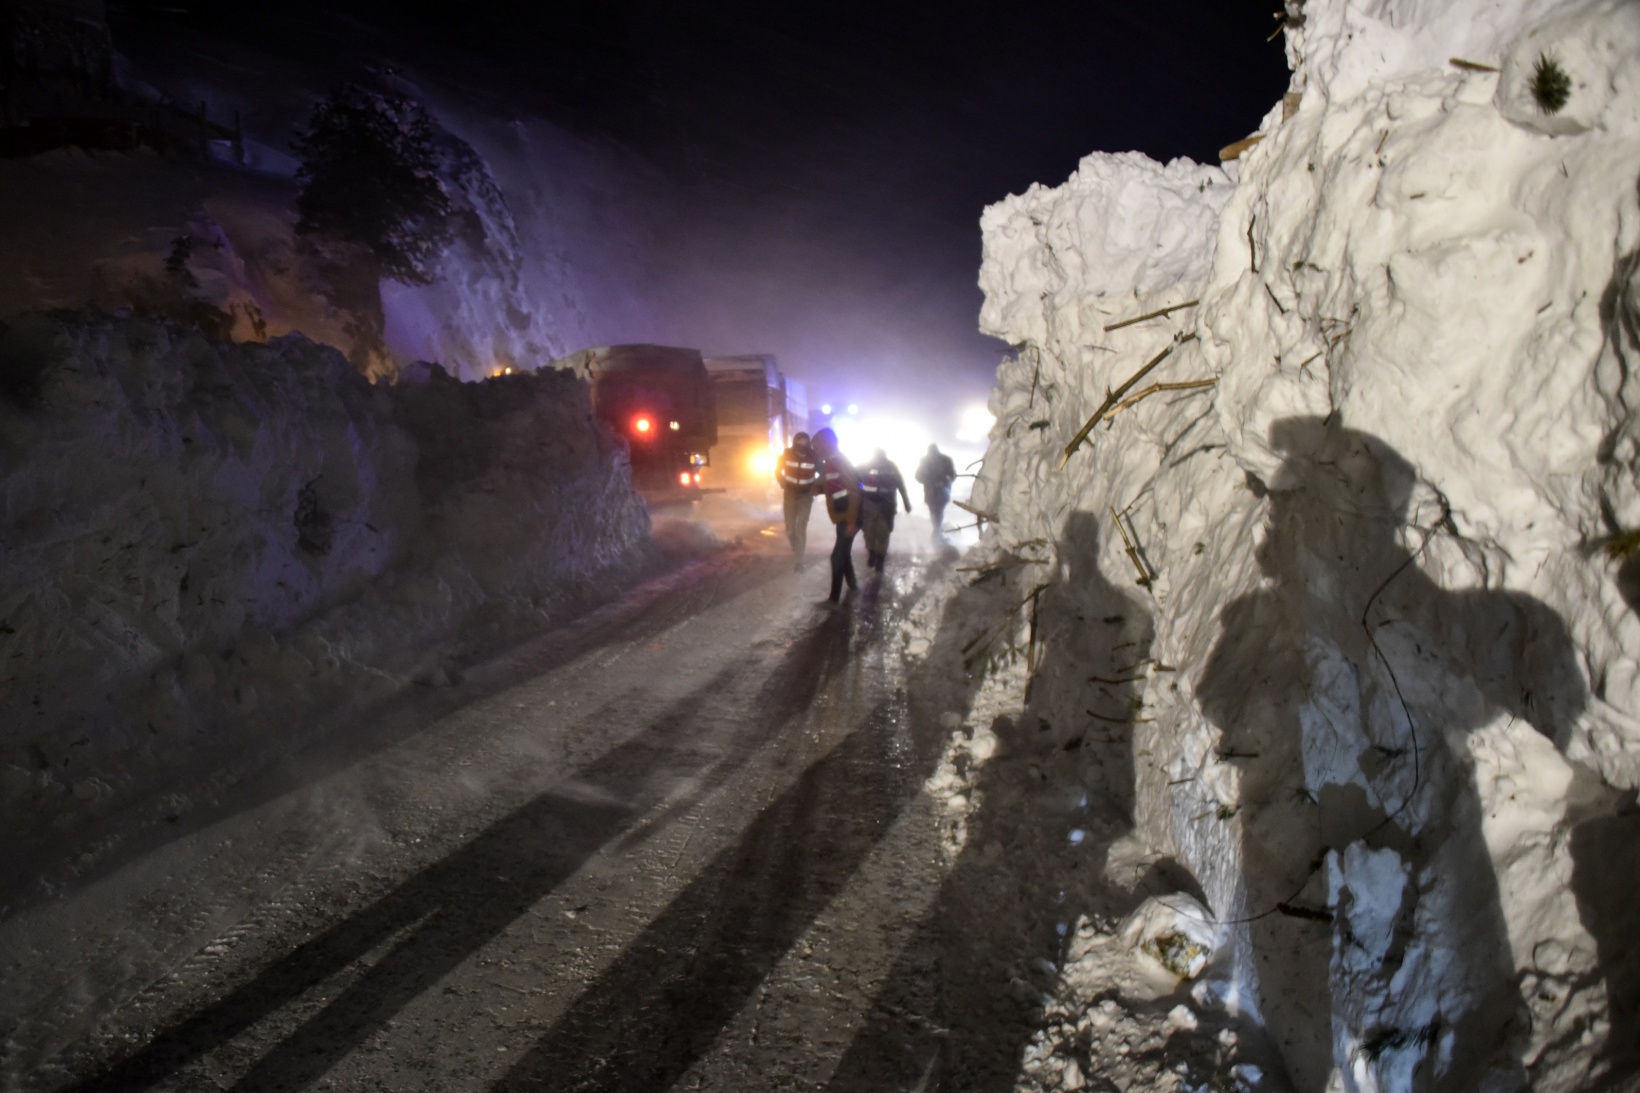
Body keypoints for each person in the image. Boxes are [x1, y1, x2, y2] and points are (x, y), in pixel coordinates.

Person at [810, 428, 860, 603]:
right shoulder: (832, 461)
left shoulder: (837, 461)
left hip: (849, 515)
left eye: (816, 446)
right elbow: (838, 487)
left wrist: (852, 522)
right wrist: (821, 490)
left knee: (837, 556)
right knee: (843, 553)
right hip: (844, 515)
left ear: (826, 444)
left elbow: (853, 491)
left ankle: (834, 600)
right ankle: (853, 587)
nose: (814, 450)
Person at [858, 448, 912, 572]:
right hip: (869, 504)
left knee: (883, 532)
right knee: (869, 532)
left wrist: (906, 502)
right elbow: (854, 480)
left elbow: (900, 484)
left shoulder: (891, 467)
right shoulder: (865, 466)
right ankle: (872, 551)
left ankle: (880, 558)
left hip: (886, 506)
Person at [775, 431, 818, 567]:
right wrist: (782, 481)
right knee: (790, 529)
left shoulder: (814, 457)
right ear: (795, 442)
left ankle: (799, 560)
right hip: (790, 494)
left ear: (808, 443)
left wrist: (816, 487)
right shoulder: (786, 455)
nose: (802, 444)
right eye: (800, 441)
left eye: (805, 442)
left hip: (806, 496)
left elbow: (823, 473)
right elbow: (777, 471)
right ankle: (796, 547)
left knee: (801, 527)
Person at [915, 444, 957, 541]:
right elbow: (918, 476)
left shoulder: (929, 460)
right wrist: (930, 480)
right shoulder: (943, 460)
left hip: (938, 492)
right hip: (935, 492)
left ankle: (937, 535)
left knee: (937, 514)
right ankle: (937, 535)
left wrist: (943, 481)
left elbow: (953, 476)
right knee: (936, 514)